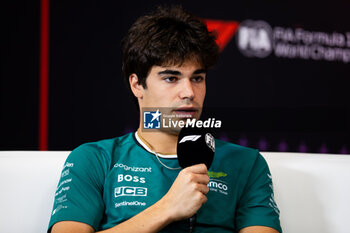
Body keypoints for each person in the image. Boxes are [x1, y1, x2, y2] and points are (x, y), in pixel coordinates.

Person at [48, 5, 282, 233]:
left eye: (197, 78)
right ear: (137, 84)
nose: (189, 92)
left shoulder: (246, 163)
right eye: (171, 78)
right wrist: (167, 208)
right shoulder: (95, 159)